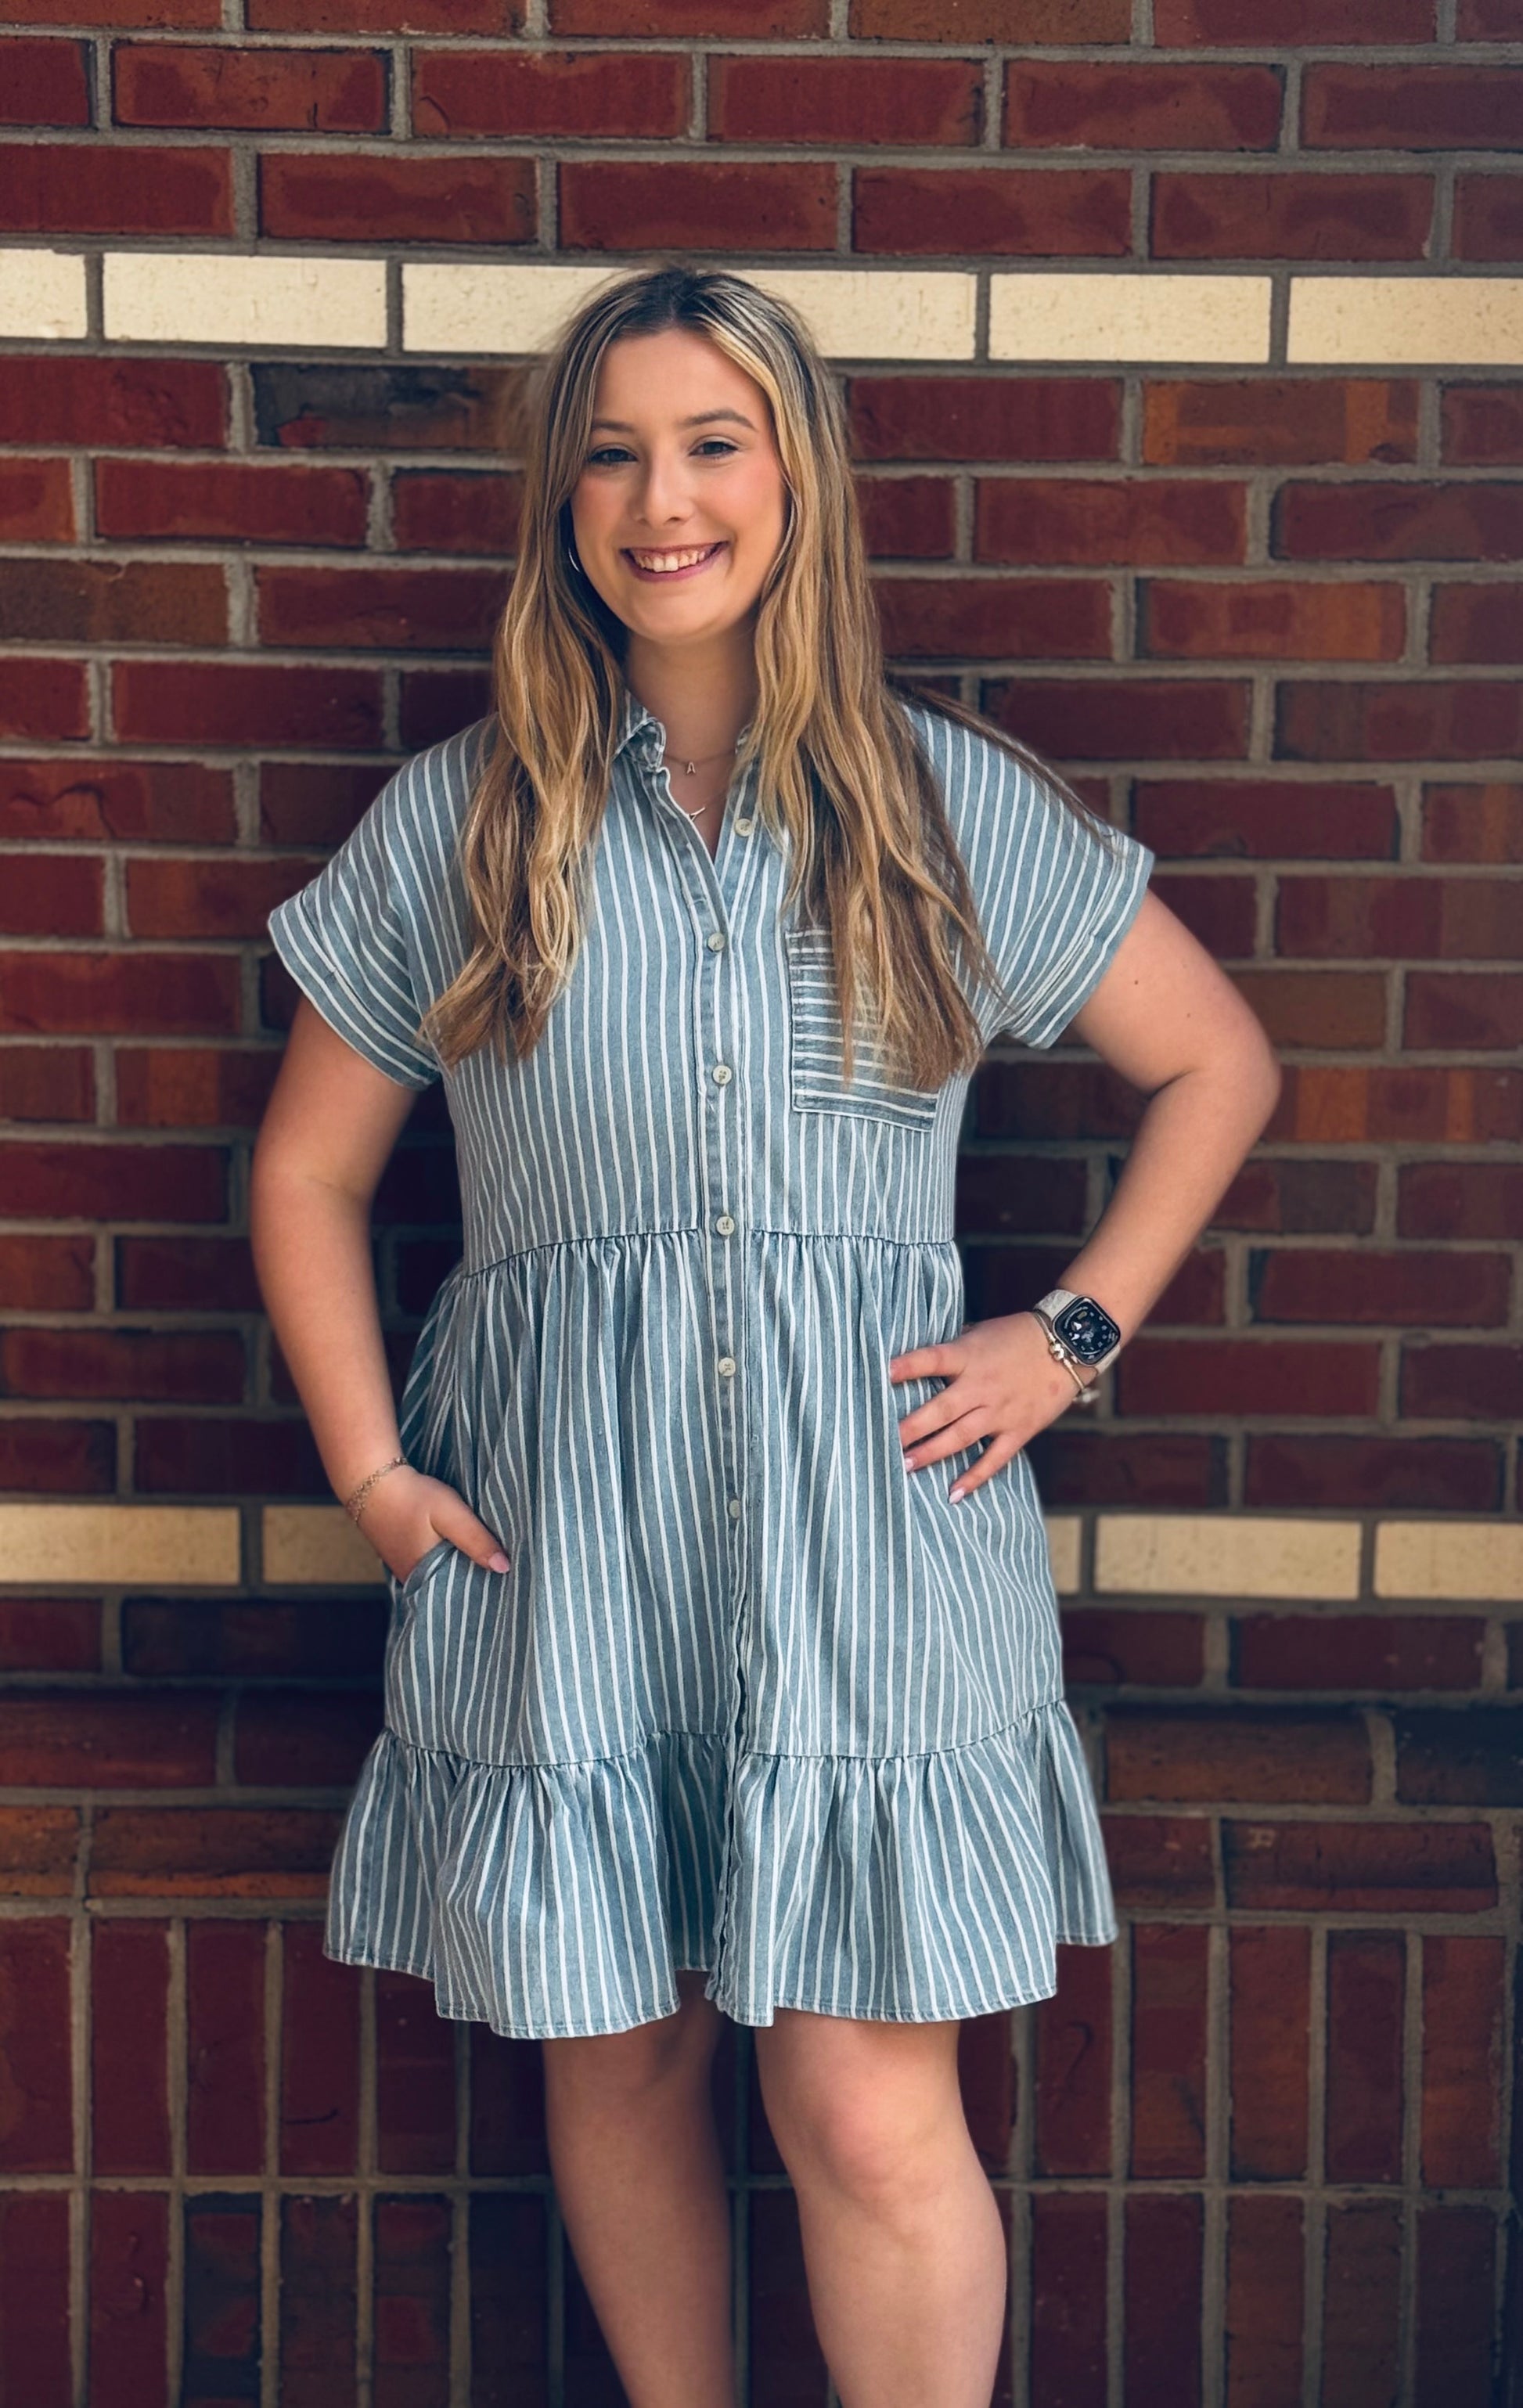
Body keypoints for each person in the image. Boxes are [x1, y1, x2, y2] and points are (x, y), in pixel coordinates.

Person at [250, 260, 1280, 2408]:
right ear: (563, 503)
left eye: (713, 446)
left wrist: (1066, 1335)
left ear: (796, 480)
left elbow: (1216, 1064)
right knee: (620, 2058)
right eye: (612, 455)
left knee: (864, 2104)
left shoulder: (933, 805)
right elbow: (309, 1176)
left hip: (873, 1541)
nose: (664, 501)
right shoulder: (468, 819)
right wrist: (373, 1475)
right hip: (565, 1551)